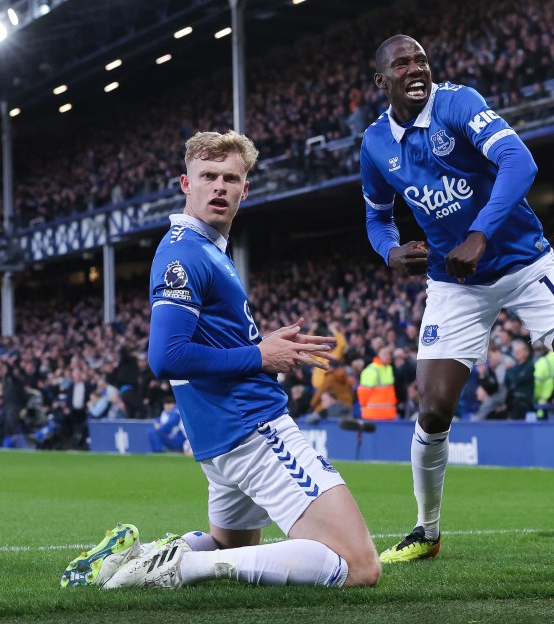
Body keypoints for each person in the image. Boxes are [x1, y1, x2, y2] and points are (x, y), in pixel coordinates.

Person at [360, 35, 554, 569]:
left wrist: (478, 233)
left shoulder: (457, 103)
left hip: (525, 263)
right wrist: (389, 253)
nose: (415, 69)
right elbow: (377, 217)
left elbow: (519, 163)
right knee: (432, 409)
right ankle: (426, 531)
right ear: (380, 80)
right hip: (454, 283)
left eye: (421, 60)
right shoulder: (375, 144)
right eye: (401, 63)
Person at [61, 131, 380, 590]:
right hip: (253, 427)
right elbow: (165, 357)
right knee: (360, 567)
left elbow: (212, 340)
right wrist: (258, 354)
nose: (219, 186)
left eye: (230, 178)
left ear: (244, 189)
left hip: (220, 437)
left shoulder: (208, 249)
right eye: (207, 176)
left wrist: (262, 346)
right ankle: (181, 567)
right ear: (185, 184)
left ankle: (138, 556)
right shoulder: (184, 253)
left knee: (231, 548)